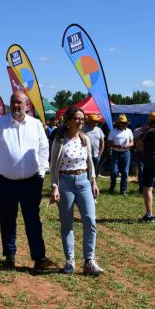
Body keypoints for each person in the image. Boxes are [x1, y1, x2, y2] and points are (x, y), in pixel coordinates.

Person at [0, 91, 51, 272]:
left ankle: (39, 257)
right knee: (7, 219)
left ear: (27, 105)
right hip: (4, 182)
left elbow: (44, 150)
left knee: (33, 220)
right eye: (13, 102)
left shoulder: (36, 125)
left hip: (31, 182)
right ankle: (10, 254)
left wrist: (41, 174)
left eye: (20, 103)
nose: (16, 106)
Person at [50, 107, 103, 275]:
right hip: (65, 182)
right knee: (67, 224)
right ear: (69, 121)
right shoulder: (60, 140)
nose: (81, 121)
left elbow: (90, 162)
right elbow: (53, 166)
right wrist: (54, 186)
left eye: (83, 119)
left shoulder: (84, 139)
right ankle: (70, 261)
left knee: (90, 221)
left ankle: (89, 261)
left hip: (84, 182)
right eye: (78, 118)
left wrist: (93, 181)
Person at [108, 114, 133, 195]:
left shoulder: (129, 131)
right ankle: (112, 187)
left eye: (125, 123)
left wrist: (127, 145)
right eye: (122, 122)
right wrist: (115, 146)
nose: (124, 124)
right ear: (118, 123)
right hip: (115, 152)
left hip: (126, 152)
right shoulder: (113, 131)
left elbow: (132, 142)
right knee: (114, 172)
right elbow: (109, 142)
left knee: (125, 172)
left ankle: (123, 190)